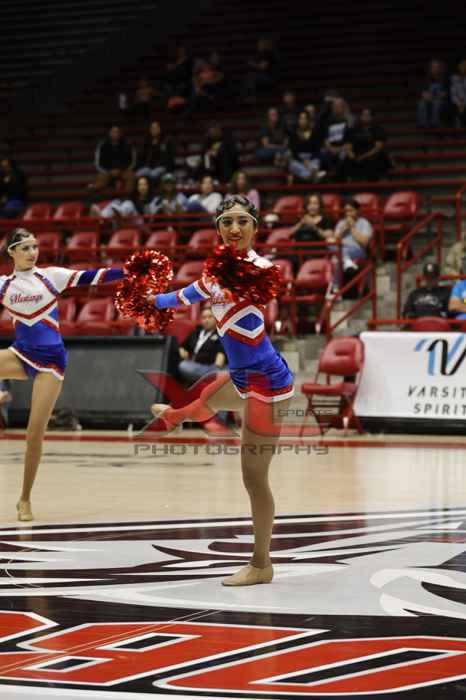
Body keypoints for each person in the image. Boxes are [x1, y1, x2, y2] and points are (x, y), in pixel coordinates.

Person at [149, 195, 294, 586]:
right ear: (217, 229)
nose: (234, 227)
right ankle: (176, 416)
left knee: (254, 479)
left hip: (266, 382)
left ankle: (261, 564)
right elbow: (183, 296)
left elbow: (264, 290)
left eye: (242, 220)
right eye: (227, 221)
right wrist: (149, 300)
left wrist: (232, 277)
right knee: (206, 396)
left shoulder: (261, 268)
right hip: (243, 376)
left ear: (255, 227)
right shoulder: (213, 273)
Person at [0, 227, 126, 521]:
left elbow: (94, 276)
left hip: (51, 362)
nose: (33, 252)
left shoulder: (51, 276)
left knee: (34, 434)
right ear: (12, 252)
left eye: (35, 246)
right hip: (21, 353)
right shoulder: (5, 285)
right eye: (25, 247)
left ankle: (24, 499)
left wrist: (130, 270)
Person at [332, 199, 373, 288]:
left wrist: (352, 228)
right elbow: (334, 240)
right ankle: (347, 261)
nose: (348, 214)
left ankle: (335, 287)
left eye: (351, 211)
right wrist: (343, 230)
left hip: (357, 250)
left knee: (337, 258)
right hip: (341, 249)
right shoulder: (341, 223)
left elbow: (364, 242)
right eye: (346, 211)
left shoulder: (364, 223)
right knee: (331, 245)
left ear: (357, 210)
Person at [288, 194, 334, 271]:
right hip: (299, 251)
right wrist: (301, 223)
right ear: (306, 206)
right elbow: (289, 233)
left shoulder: (325, 220)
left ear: (320, 205)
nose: (312, 206)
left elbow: (329, 235)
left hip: (317, 251)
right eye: (309, 203)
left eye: (315, 203)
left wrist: (315, 228)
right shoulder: (300, 219)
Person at [343, 108, 391, 181]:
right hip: (356, 156)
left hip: (371, 155)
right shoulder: (353, 129)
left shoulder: (378, 129)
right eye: (363, 115)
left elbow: (377, 148)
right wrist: (352, 155)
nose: (365, 117)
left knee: (377, 158)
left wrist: (363, 157)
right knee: (345, 161)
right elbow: (348, 145)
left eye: (367, 115)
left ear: (372, 117)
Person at [94, 125, 136, 194]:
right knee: (100, 177)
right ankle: (99, 195)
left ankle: (129, 196)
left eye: (117, 132)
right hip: (107, 171)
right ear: (109, 133)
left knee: (131, 176)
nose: (115, 133)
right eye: (113, 132)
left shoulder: (128, 144)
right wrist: (109, 171)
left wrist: (121, 170)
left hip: (124, 170)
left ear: (120, 133)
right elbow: (98, 163)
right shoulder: (102, 145)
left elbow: (132, 161)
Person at [287, 111, 325, 183]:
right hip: (298, 160)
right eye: (301, 118)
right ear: (298, 120)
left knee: (316, 162)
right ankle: (312, 176)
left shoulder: (314, 134)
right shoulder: (293, 134)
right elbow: (293, 152)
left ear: (308, 120)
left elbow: (317, 150)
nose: (303, 121)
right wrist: (303, 161)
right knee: (292, 164)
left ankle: (309, 175)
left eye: (305, 119)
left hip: (311, 159)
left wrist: (309, 161)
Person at [320, 97, 354, 176]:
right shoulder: (327, 122)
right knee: (322, 153)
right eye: (334, 106)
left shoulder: (349, 122)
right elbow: (326, 141)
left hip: (343, 149)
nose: (336, 108)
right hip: (331, 149)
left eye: (338, 106)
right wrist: (331, 149)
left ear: (343, 107)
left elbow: (349, 143)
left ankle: (338, 175)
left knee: (346, 155)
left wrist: (340, 149)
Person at [417, 60, 448, 128]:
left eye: (437, 67)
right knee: (421, 103)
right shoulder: (426, 78)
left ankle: (434, 123)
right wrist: (425, 95)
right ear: (430, 68)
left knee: (436, 103)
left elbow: (445, 93)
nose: (435, 68)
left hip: (440, 99)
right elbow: (423, 91)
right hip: (429, 98)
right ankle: (422, 124)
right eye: (433, 67)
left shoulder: (444, 79)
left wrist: (439, 95)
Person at [450, 58, 466, 128]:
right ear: (458, 66)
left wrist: (463, 104)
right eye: (462, 65)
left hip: (465, 101)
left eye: (465, 65)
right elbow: (453, 94)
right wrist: (459, 104)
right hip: (456, 102)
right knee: (451, 107)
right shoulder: (454, 78)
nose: (463, 67)